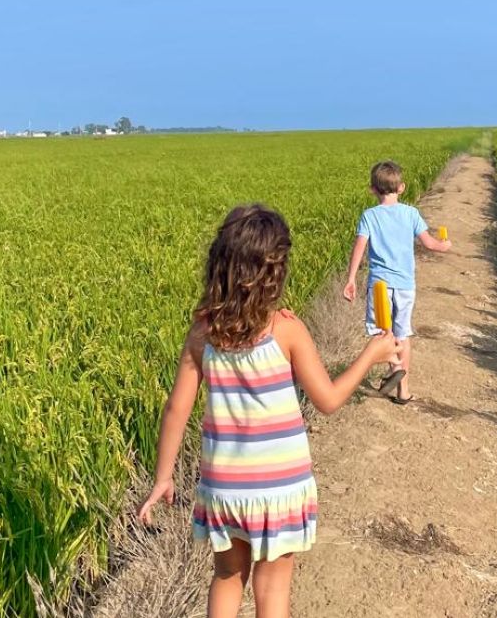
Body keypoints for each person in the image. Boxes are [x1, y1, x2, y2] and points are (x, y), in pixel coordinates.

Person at [137, 204, 401, 618]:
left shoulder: (202, 333)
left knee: (226, 578)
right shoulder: (287, 331)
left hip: (223, 488)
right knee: (272, 590)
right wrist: (371, 354)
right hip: (279, 489)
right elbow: (328, 401)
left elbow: (176, 409)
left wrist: (163, 477)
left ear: (219, 265)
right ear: (276, 273)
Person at [342, 160, 452, 404]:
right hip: (405, 285)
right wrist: (444, 245)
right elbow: (430, 244)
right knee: (403, 335)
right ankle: (403, 391)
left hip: (379, 285)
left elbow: (359, 248)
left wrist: (350, 279)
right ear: (401, 188)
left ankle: (393, 362)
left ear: (372, 189)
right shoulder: (411, 213)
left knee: (383, 333)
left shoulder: (369, 216)